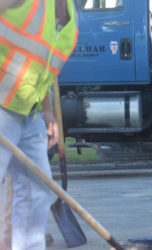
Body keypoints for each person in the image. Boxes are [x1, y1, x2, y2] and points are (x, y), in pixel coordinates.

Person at [0, 0, 78, 249]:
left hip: (29, 111)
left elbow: (40, 68)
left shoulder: (71, 15)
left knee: (38, 189)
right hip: (1, 103)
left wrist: (48, 112)